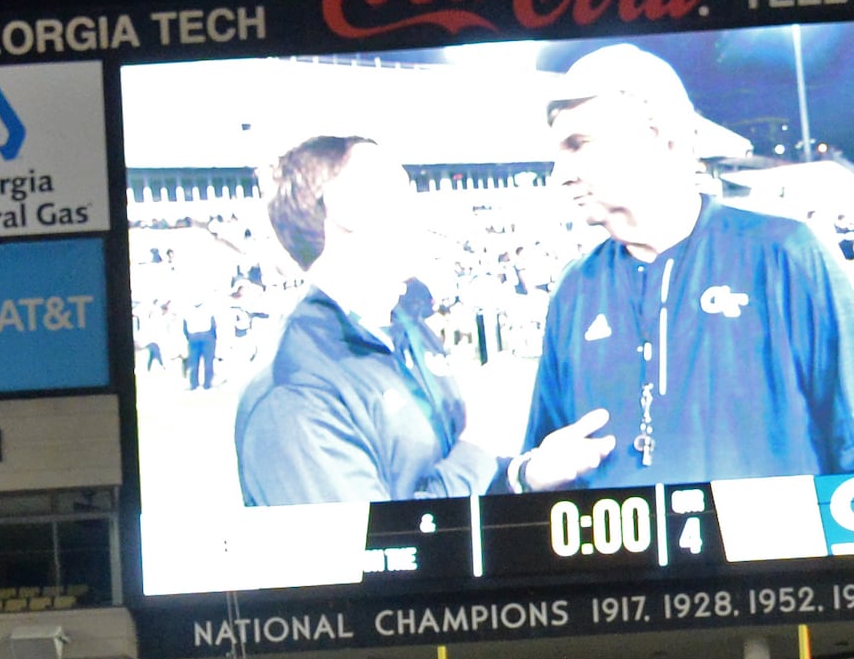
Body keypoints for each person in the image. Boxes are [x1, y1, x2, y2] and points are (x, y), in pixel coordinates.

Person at [520, 43, 854, 490]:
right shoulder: (575, 287)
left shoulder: (783, 254)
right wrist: (532, 473)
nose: (560, 173)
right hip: (627, 558)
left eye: (578, 145)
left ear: (657, 135)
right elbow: (541, 457)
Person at [232, 136, 612, 509]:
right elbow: (370, 553)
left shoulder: (408, 330)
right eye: (400, 187)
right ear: (344, 207)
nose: (420, 207)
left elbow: (444, 482)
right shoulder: (293, 395)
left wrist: (524, 474)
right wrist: (477, 446)